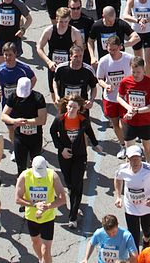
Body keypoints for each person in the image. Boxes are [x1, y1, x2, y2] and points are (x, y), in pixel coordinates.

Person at [49, 95, 99, 228]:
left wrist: (96, 144)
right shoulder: (59, 120)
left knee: (77, 185)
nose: (71, 109)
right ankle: (72, 193)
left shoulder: (82, 120)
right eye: (69, 106)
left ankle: (73, 217)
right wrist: (61, 149)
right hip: (65, 156)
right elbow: (53, 133)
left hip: (80, 156)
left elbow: (89, 131)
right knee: (69, 182)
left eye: (74, 107)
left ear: (79, 108)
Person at [14, 156, 67, 263]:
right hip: (31, 217)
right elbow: (17, 199)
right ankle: (40, 259)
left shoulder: (53, 176)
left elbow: (62, 199)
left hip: (47, 218)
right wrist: (34, 205)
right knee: (36, 242)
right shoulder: (24, 176)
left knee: (46, 250)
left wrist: (47, 206)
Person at [113, 145, 150, 250]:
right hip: (130, 207)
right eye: (132, 159)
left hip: (147, 206)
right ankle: (137, 258)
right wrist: (118, 196)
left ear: (142, 157)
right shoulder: (123, 169)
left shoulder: (149, 170)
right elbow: (118, 179)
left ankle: (146, 240)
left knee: (146, 230)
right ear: (128, 159)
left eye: (137, 158)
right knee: (133, 235)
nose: (135, 161)